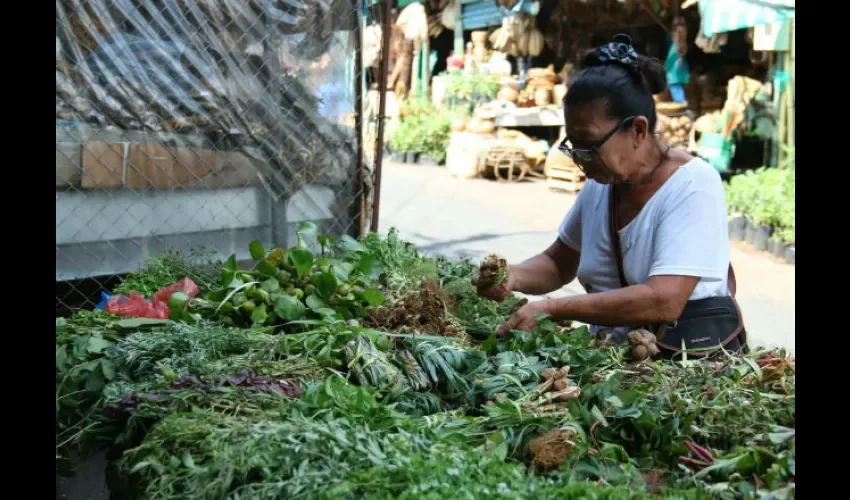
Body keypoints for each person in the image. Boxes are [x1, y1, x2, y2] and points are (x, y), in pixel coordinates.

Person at [474, 34, 747, 356]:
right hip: (619, 365)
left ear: (638, 131)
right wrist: (511, 277)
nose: (578, 157)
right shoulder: (600, 185)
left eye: (588, 143)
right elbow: (557, 263)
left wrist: (552, 308)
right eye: (573, 144)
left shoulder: (693, 186)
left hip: (688, 368)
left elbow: (664, 299)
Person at [664, 18, 690, 102]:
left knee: (679, 97)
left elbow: (669, 62)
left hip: (674, 75)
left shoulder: (677, 46)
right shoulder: (677, 45)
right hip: (677, 74)